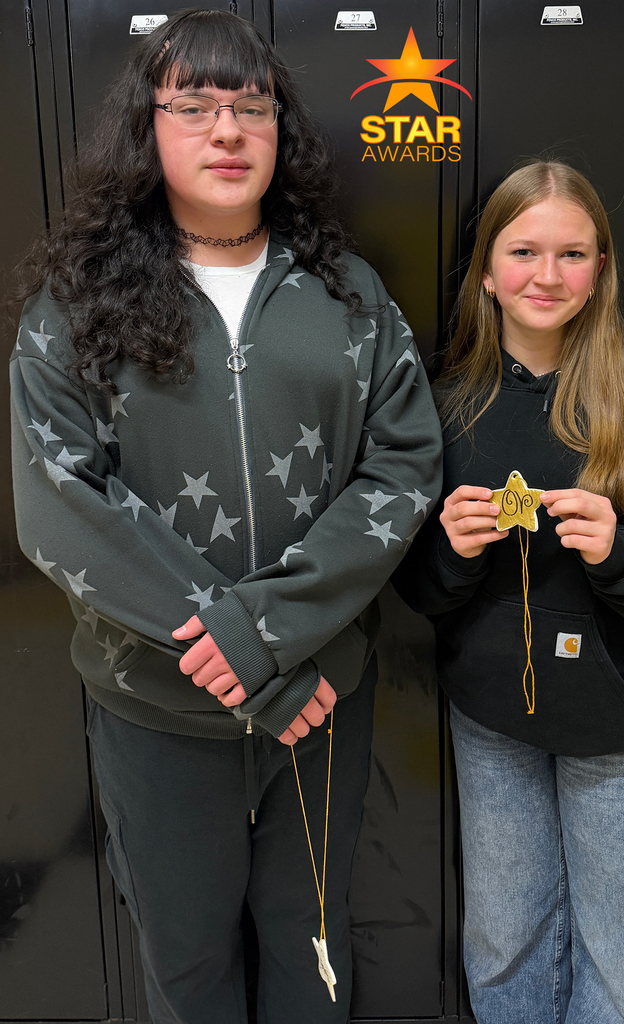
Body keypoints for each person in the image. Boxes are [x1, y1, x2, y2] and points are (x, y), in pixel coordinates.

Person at [9, 9, 442, 1023]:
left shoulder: (350, 298)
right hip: (154, 708)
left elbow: (406, 466)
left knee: (314, 955)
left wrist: (271, 636)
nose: (227, 129)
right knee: (189, 969)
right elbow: (58, 503)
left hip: (318, 705)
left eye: (251, 106)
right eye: (195, 105)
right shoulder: (73, 308)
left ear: (279, 131)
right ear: (146, 129)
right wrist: (241, 652)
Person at [394, 161, 624, 1024]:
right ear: (485, 271)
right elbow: (420, 597)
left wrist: (621, 552)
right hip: (493, 727)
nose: (546, 276)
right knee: (503, 948)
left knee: (616, 963)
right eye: (523, 251)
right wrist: (455, 549)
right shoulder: (440, 414)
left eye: (572, 253)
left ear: (602, 270)